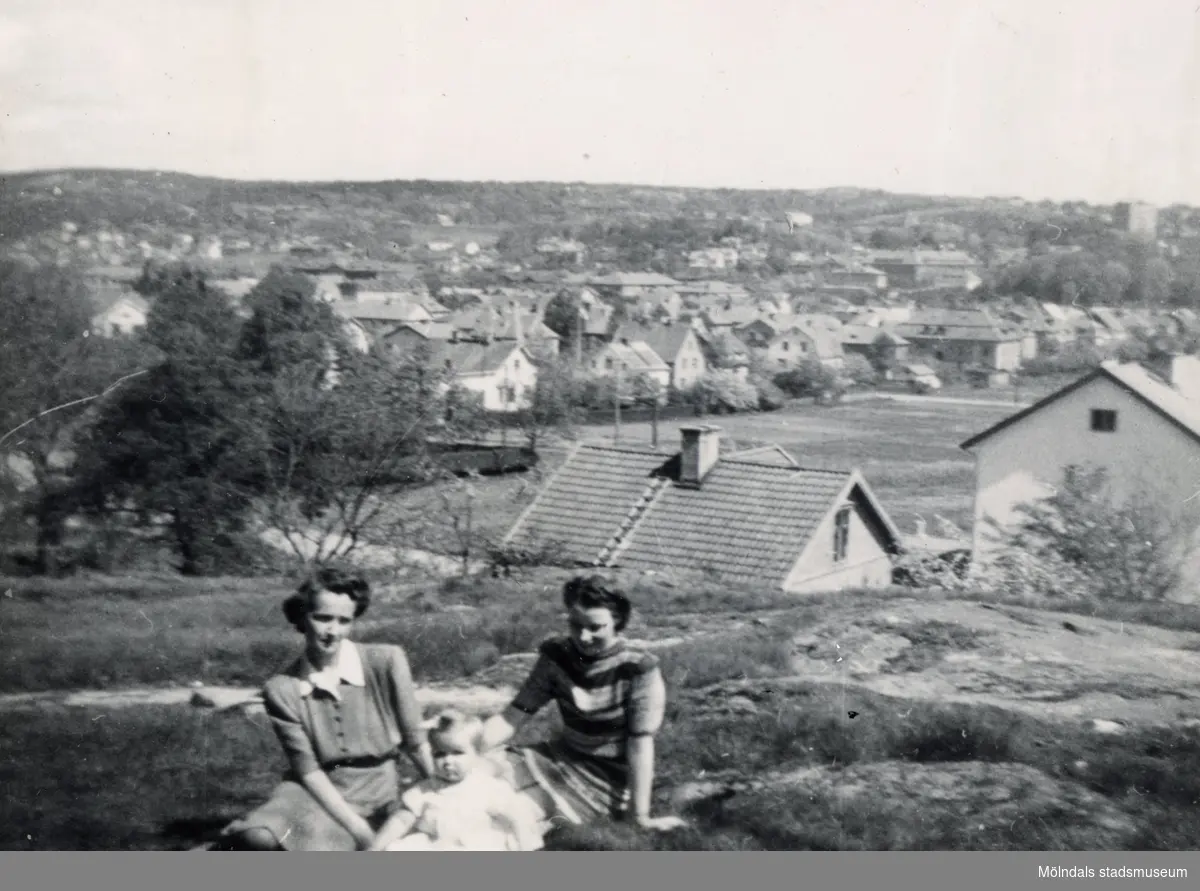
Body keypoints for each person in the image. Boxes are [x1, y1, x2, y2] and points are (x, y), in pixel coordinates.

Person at [216, 569, 436, 851]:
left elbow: (416, 743)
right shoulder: (282, 688)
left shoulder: (386, 661)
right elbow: (308, 771)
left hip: (380, 791)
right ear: (302, 618)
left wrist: (446, 793)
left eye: (344, 621)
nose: (333, 631)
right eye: (323, 618)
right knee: (260, 836)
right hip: (317, 794)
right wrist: (360, 831)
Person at [478, 575, 686, 833]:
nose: (584, 637)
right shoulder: (557, 656)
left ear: (617, 621)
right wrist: (466, 749)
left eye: (596, 627)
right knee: (477, 776)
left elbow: (640, 745)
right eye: (575, 625)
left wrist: (639, 816)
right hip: (560, 755)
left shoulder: (638, 669)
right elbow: (514, 715)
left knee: (517, 814)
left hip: (605, 777)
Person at [370, 710, 545, 851]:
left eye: (457, 753)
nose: (447, 761)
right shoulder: (425, 790)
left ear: (476, 754)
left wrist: (527, 848)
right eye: (439, 754)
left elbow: (518, 818)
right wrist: (375, 848)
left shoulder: (487, 788)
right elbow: (401, 820)